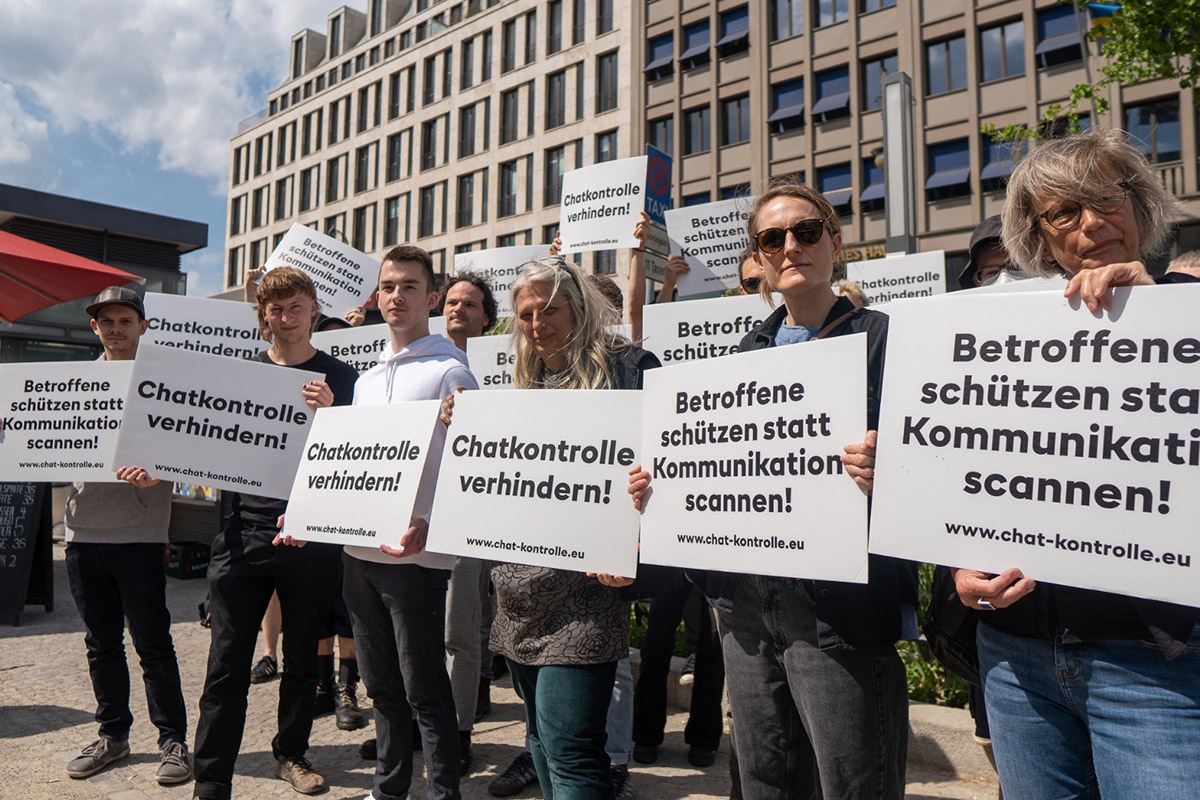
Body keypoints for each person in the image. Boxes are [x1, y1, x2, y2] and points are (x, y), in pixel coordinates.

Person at [631, 178, 917, 799]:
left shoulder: (888, 341)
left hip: (838, 614)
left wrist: (891, 468)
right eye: (772, 238)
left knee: (854, 781)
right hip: (745, 613)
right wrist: (664, 481)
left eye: (806, 231)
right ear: (757, 259)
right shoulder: (744, 354)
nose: (791, 246)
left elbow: (934, 468)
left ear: (834, 244)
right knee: (764, 781)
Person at [954, 128, 1200, 799]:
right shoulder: (989, 338)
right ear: (1040, 235)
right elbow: (963, 471)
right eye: (1065, 212)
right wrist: (958, 563)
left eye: (1105, 200)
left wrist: (1159, 324)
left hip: (1154, 664)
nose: (1091, 223)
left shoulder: (1189, 312)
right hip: (1015, 655)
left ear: (1140, 204)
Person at [477, 256, 660, 800]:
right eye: (525, 315)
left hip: (586, 595)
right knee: (539, 742)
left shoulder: (629, 367)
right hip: (518, 595)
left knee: (573, 750)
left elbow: (667, 466)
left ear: (578, 306)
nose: (537, 324)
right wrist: (465, 431)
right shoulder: (526, 384)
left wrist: (635, 543)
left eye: (548, 309)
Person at [189, 267, 359, 800]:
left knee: (303, 660)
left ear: (313, 309)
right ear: (263, 315)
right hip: (244, 537)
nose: (286, 318)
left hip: (311, 539)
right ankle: (212, 778)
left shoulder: (345, 378)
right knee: (226, 664)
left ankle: (292, 752)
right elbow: (210, 445)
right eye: (275, 309)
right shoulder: (244, 374)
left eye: (295, 307)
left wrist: (335, 415)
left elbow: (364, 455)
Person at [329, 244, 476, 800]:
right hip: (358, 556)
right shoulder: (365, 383)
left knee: (424, 690)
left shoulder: (450, 371)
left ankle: (442, 793)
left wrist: (432, 523)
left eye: (409, 286)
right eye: (389, 285)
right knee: (381, 687)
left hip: (416, 557)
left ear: (431, 297)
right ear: (376, 295)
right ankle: (389, 790)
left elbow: (470, 465)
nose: (397, 295)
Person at [62, 286, 191, 785]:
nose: (116, 328)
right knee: (101, 644)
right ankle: (113, 735)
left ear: (143, 326)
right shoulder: (69, 384)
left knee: (153, 642)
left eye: (125, 319)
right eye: (107, 321)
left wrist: (162, 471)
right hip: (82, 531)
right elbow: (41, 439)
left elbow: (188, 448)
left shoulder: (162, 383)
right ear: (95, 327)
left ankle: (172, 740)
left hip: (138, 533)